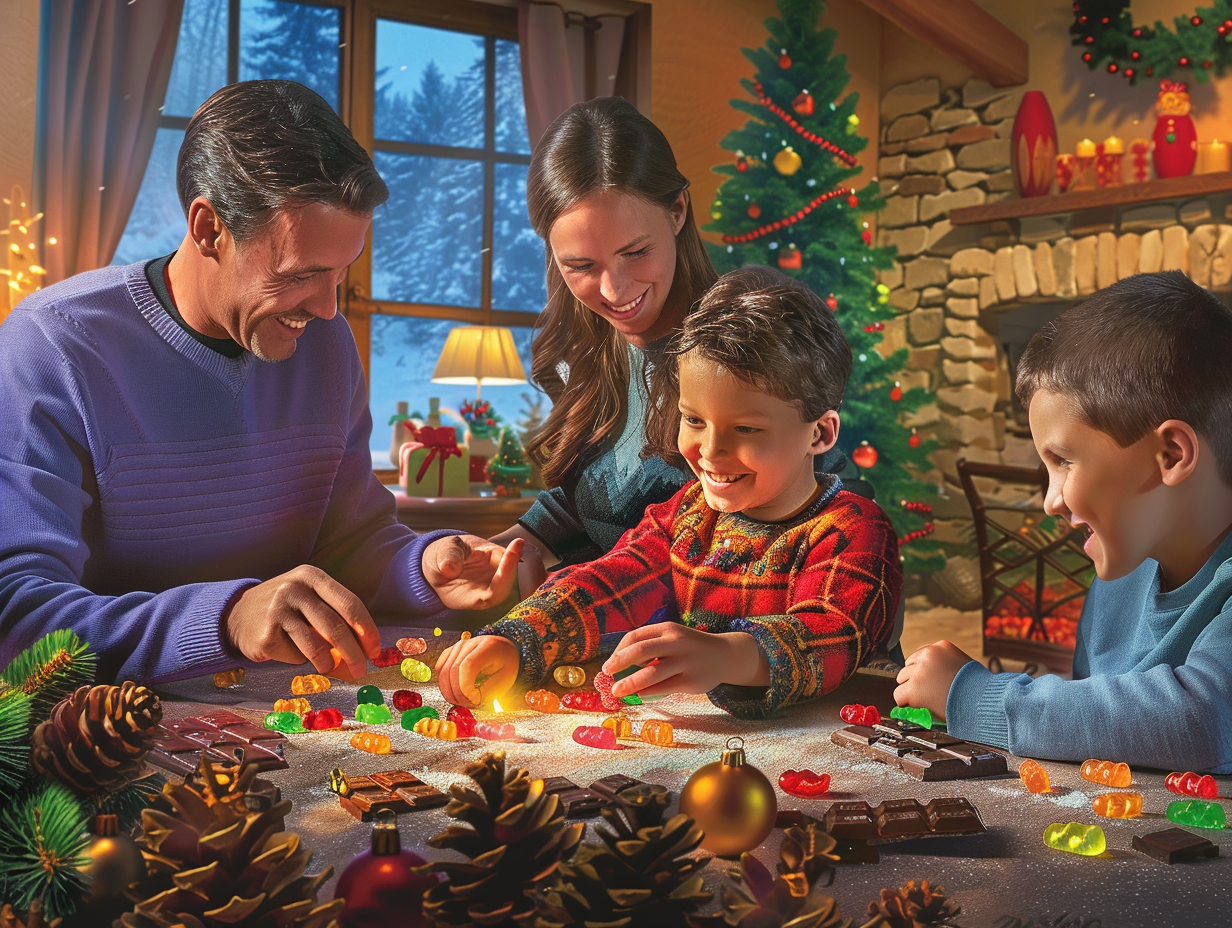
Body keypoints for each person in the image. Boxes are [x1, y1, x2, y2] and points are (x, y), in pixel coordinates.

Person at [0, 80, 523, 686]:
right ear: (208, 229)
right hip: (107, 731)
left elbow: (349, 544)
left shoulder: (325, 346)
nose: (329, 308)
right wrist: (226, 619)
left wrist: (423, 564)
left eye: (342, 272)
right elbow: (18, 615)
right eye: (303, 274)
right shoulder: (53, 344)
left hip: (293, 714)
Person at [437, 266, 902, 719]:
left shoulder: (855, 529)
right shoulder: (686, 515)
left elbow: (833, 634)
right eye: (694, 420)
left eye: (745, 428)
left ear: (820, 433)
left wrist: (729, 655)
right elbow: (613, 582)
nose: (710, 451)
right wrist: (520, 639)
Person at [489, 96, 860, 575]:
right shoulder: (594, 349)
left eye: (636, 251)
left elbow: (842, 522)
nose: (613, 290)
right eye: (580, 266)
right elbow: (588, 508)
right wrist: (491, 554)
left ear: (678, 210)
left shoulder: (746, 343)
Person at [895, 271, 1232, 773]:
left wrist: (977, 696)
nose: (1051, 501)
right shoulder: (1122, 578)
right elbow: (1093, 713)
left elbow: (1203, 721)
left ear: (1170, 454)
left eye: (1063, 461)